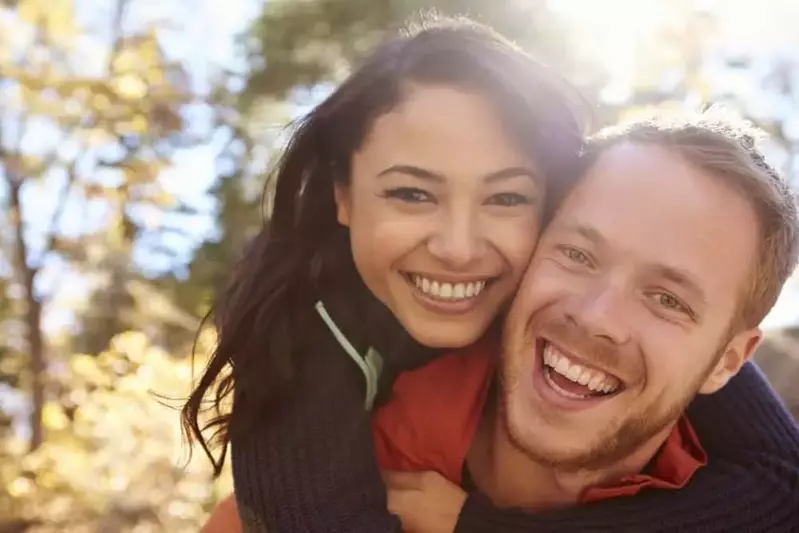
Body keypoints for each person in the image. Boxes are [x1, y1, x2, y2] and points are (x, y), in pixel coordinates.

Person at [184, 17, 799, 533]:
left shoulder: (722, 446)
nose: (458, 249)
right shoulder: (304, 338)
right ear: (343, 195)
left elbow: (784, 481)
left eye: (505, 199)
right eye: (410, 193)